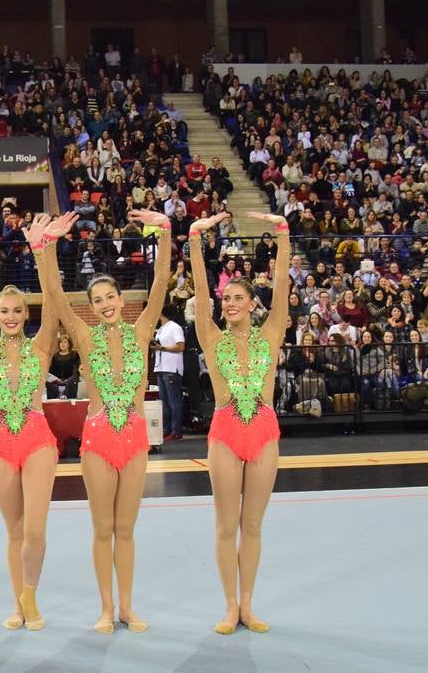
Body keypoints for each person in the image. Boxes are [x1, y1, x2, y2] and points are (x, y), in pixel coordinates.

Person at [36, 207, 172, 634]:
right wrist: (49, 246)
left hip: (132, 436)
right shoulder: (83, 335)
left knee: (126, 529)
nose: (106, 305)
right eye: (98, 300)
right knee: (102, 529)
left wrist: (164, 233)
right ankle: (105, 607)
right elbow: (56, 297)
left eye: (111, 297)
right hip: (96, 436)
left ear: (121, 299)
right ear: (92, 307)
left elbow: (162, 283)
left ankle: (128, 607)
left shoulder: (141, 328)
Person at [186, 211, 291, 635]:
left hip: (264, 431)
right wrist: (195, 239)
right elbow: (198, 289)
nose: (228, 304)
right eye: (224, 299)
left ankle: (249, 603)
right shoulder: (211, 339)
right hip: (226, 433)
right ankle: (229, 605)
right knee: (226, 525)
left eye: (236, 299)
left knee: (252, 525)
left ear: (252, 303)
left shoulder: (271, 334)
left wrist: (283, 233)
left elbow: (282, 286)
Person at [0, 221, 60, 631]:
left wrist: (41, 250)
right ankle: (17, 604)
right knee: (15, 530)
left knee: (35, 529)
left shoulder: (41, 345)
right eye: (3, 311)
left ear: (26, 314)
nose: (10, 317)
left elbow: (54, 301)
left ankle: (32, 597)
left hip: (38, 439)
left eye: (18, 311)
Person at [153, 307, 186, 441]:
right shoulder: (161, 328)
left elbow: (181, 346)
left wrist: (162, 348)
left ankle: (176, 430)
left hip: (171, 368)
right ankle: (167, 429)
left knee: (173, 401)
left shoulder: (174, 327)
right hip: (160, 366)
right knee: (164, 402)